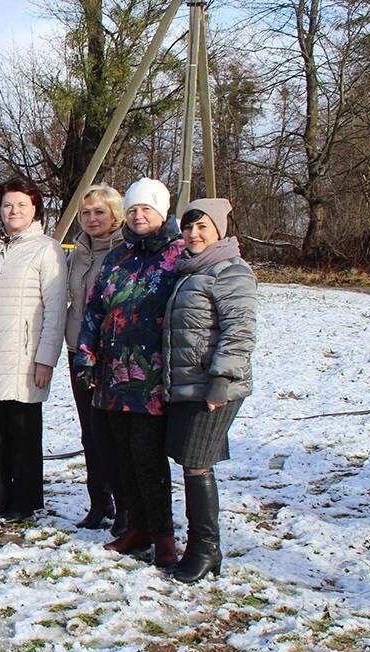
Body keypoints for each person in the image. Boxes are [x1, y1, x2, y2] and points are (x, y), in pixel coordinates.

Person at [75, 178, 185, 568]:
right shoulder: (118, 256)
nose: (139, 216)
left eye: (147, 210)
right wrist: (86, 355)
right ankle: (136, 527)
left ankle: (164, 534)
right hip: (111, 375)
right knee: (119, 454)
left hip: (151, 377)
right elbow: (94, 309)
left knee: (148, 458)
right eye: (135, 209)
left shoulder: (177, 256)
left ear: (162, 213)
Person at [163, 199, 257, 583]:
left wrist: (221, 380)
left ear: (218, 229)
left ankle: (205, 548)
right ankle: (204, 546)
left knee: (197, 462)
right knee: (192, 462)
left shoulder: (230, 271)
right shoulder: (191, 271)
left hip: (212, 386)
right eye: (187, 228)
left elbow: (240, 330)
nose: (193, 234)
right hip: (188, 384)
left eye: (202, 227)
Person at [0, 176, 66, 523]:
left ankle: (23, 501)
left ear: (35, 208)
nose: (14, 211)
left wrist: (45, 358)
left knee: (22, 430)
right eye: (8, 205)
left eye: (22, 204)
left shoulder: (46, 249)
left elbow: (54, 310)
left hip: (24, 355)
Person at [66, 185, 126, 531]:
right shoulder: (77, 253)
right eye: (86, 213)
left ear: (115, 216)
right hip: (78, 352)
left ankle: (124, 505)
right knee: (89, 431)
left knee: (113, 433)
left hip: (113, 355)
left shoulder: (123, 252)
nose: (91, 219)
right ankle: (98, 501)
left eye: (99, 212)